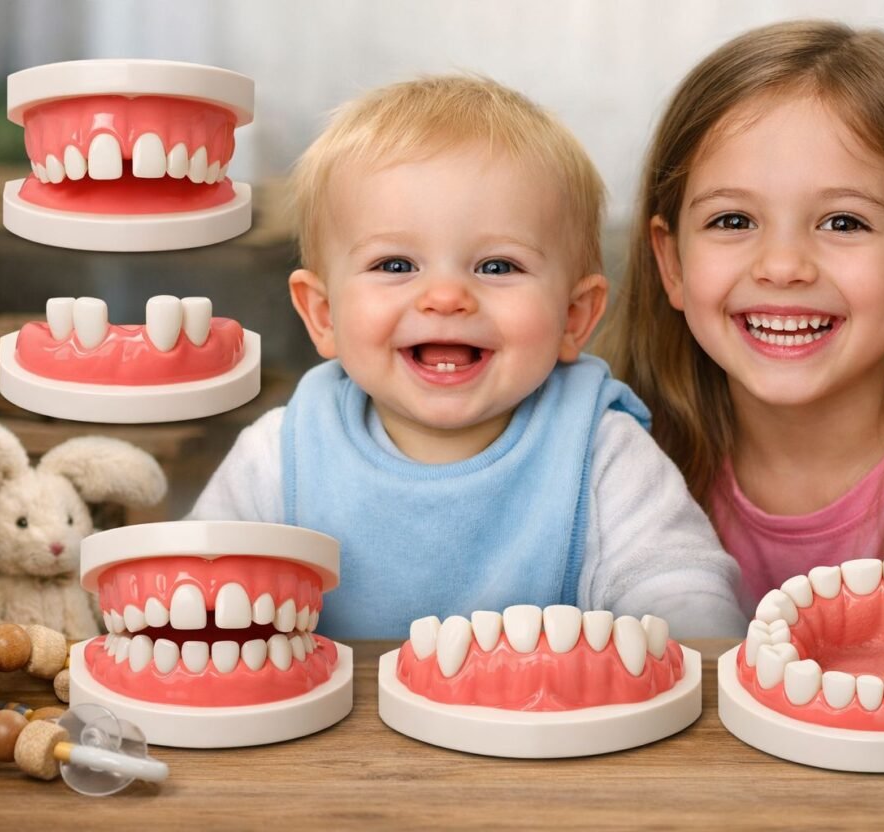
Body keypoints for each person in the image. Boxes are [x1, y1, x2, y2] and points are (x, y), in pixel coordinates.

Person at [189, 76, 745, 639]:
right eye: (396, 265)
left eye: (497, 266)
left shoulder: (599, 450)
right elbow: (193, 587)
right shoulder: (279, 456)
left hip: (538, 700)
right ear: (324, 315)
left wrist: (689, 635)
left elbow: (677, 588)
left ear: (573, 317)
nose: (446, 297)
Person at [600, 21, 884, 647]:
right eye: (732, 220)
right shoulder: (612, 475)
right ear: (672, 262)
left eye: (843, 222)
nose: (783, 265)